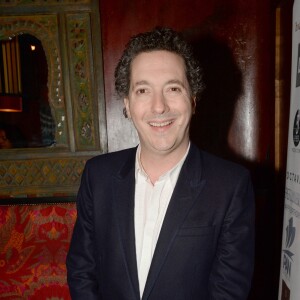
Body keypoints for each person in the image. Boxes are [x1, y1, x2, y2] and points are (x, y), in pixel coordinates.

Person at [66, 27, 255, 300]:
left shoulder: (230, 186)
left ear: (193, 98)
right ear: (128, 104)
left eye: (173, 88)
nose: (159, 107)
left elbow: (228, 292)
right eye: (143, 90)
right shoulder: (98, 177)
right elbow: (82, 270)